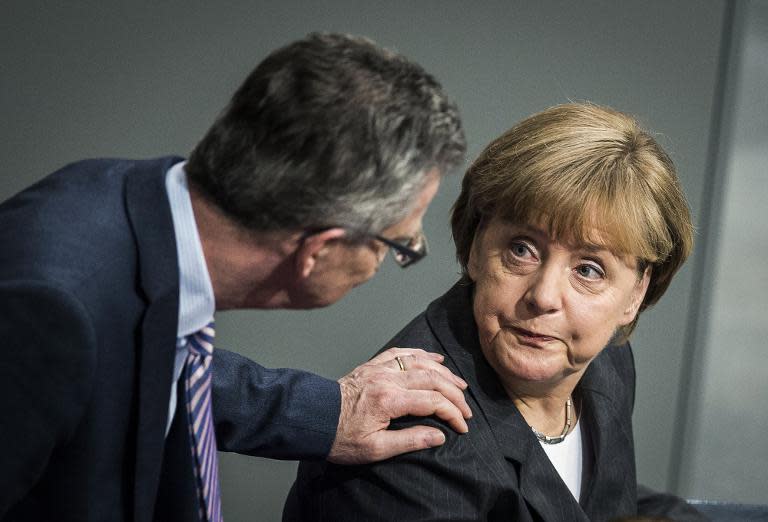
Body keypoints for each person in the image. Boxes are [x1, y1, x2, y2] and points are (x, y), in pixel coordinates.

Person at [0, 33, 472, 521]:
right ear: (320, 249)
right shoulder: (48, 310)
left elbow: (144, 362)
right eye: (396, 246)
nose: (386, 264)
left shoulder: (130, 204)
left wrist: (330, 410)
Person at [286, 103, 708, 521]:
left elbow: (590, 501)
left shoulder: (605, 360)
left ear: (635, 294)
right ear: (475, 246)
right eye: (522, 249)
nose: (543, 297)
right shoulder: (412, 439)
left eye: (588, 270)